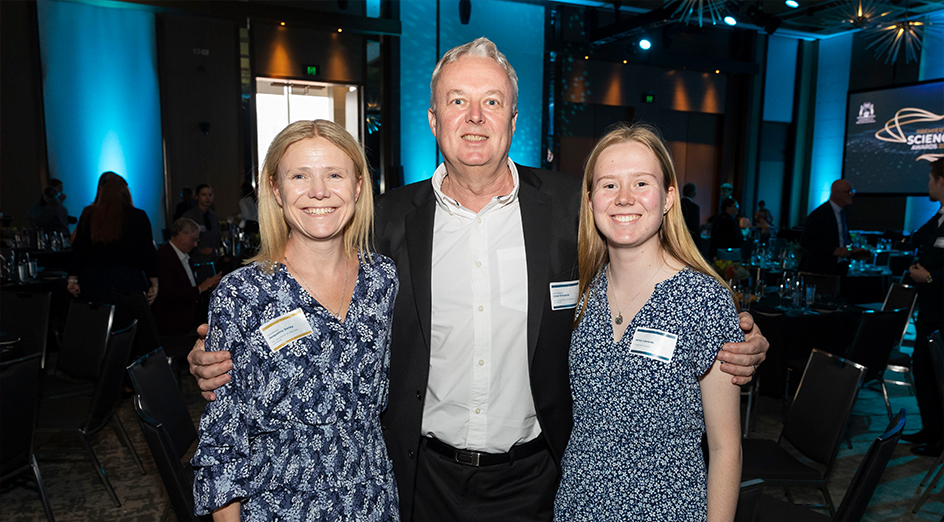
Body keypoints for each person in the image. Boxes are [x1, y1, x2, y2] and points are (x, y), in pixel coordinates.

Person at [189, 38, 768, 522]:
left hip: (540, 477)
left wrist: (737, 331)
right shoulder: (386, 219)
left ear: (514, 119)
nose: (474, 117)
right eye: (457, 100)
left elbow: (650, 275)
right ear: (434, 118)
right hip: (418, 477)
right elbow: (310, 295)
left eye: (492, 101)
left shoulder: (574, 207)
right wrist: (218, 352)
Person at [191, 120, 400, 520]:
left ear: (357, 186)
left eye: (334, 175)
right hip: (280, 506)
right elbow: (222, 443)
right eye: (299, 175)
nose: (318, 191)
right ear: (275, 189)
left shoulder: (382, 279)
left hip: (372, 501)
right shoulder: (243, 294)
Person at [555, 122, 741, 521]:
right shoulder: (581, 293)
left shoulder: (704, 300)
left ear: (669, 196)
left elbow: (726, 448)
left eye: (641, 183)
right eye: (608, 185)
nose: (624, 198)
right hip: (577, 508)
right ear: (589, 200)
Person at [900, 158, 944, 456]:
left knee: (939, 374)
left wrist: (929, 276)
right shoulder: (939, 216)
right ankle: (932, 430)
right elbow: (919, 239)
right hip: (930, 311)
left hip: (942, 312)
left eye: (931, 178)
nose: (927, 184)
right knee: (924, 371)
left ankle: (940, 439)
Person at [67, 172, 158, 305]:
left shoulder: (89, 214)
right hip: (128, 278)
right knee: (128, 320)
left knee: (98, 322)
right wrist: (154, 282)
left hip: (93, 278)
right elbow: (147, 251)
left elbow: (79, 248)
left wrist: (73, 278)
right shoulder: (137, 216)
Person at [150, 218, 221, 354]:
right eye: (193, 239)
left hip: (187, 318)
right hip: (174, 324)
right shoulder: (164, 257)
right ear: (181, 234)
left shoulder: (183, 256)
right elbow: (170, 294)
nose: (195, 245)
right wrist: (201, 288)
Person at [799, 179, 869, 275]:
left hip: (838, 267)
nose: (852, 194)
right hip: (820, 270)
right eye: (848, 192)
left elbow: (843, 239)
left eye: (852, 191)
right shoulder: (820, 214)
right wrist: (834, 250)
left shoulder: (842, 213)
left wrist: (852, 251)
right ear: (836, 193)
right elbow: (806, 241)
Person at [182, 184, 221, 266]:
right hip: (195, 260)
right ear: (197, 196)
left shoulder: (214, 217)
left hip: (213, 260)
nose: (207, 198)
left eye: (210, 195)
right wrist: (200, 250)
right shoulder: (189, 216)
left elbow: (217, 238)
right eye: (204, 195)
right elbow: (183, 240)